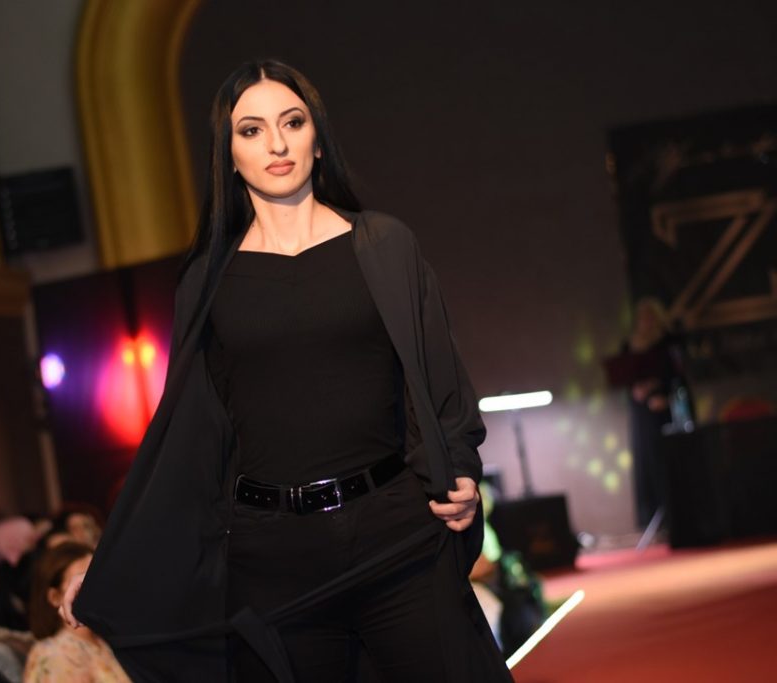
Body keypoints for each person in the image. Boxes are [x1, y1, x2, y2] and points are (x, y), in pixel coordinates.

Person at [63, 59, 512, 682]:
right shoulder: (207, 282)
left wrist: (458, 469)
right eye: (251, 130)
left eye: (292, 122)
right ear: (228, 155)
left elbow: (441, 384)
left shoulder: (384, 246)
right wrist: (113, 561)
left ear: (317, 140)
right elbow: (187, 439)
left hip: (397, 535)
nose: (275, 143)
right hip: (274, 561)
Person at [621, 297, 694, 529]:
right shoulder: (629, 345)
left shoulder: (669, 343)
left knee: (670, 461)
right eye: (643, 318)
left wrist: (667, 397)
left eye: (650, 316)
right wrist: (637, 391)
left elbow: (679, 379)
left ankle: (678, 514)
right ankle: (654, 517)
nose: (646, 321)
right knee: (648, 460)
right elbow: (625, 377)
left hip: (667, 413)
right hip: (643, 414)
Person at [23, 542, 129, 683]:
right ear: (55, 597)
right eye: (81, 584)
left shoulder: (107, 640)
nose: (97, 589)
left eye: (98, 578)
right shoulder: (54, 654)